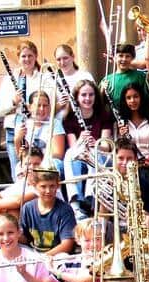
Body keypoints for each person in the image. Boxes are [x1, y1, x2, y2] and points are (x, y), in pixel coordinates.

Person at [0, 40, 53, 179]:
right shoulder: (9, 79)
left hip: (36, 129)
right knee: (19, 170)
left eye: (30, 56)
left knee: (37, 171)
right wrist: (13, 102)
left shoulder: (44, 78)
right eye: (23, 56)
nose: (27, 59)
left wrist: (33, 108)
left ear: (35, 57)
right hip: (13, 130)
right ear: (19, 58)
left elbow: (50, 103)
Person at [62, 79, 113, 214]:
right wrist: (81, 140)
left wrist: (95, 144)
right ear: (77, 98)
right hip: (79, 154)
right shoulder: (70, 118)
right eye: (83, 95)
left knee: (93, 151)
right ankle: (75, 200)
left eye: (91, 95)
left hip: (100, 156)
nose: (87, 98)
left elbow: (106, 146)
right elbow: (74, 147)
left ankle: (91, 196)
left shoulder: (103, 116)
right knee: (69, 155)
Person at [117, 83, 149, 194]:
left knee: (144, 174)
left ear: (141, 97)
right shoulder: (121, 122)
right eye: (128, 98)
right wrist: (121, 136)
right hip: (128, 163)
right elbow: (117, 148)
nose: (132, 100)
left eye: (136, 96)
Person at [19, 170, 77, 256]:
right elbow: (25, 239)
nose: (48, 191)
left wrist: (43, 258)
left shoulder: (65, 210)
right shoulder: (27, 208)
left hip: (57, 257)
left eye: (52, 186)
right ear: (35, 186)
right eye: (43, 186)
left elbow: (67, 244)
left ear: (57, 186)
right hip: (35, 254)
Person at [13, 90, 66, 178]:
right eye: (38, 105)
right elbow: (21, 156)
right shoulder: (23, 124)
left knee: (52, 165)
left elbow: (58, 154)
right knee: (19, 167)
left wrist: (39, 161)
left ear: (49, 108)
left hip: (48, 160)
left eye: (45, 106)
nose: (41, 109)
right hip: (30, 162)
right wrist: (18, 139)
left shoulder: (55, 123)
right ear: (30, 107)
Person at [100, 43, 149, 111]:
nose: (124, 59)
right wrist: (102, 90)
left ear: (132, 58)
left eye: (127, 56)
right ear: (114, 57)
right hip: (116, 120)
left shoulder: (140, 76)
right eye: (120, 56)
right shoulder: (107, 80)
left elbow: (148, 99)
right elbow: (100, 105)